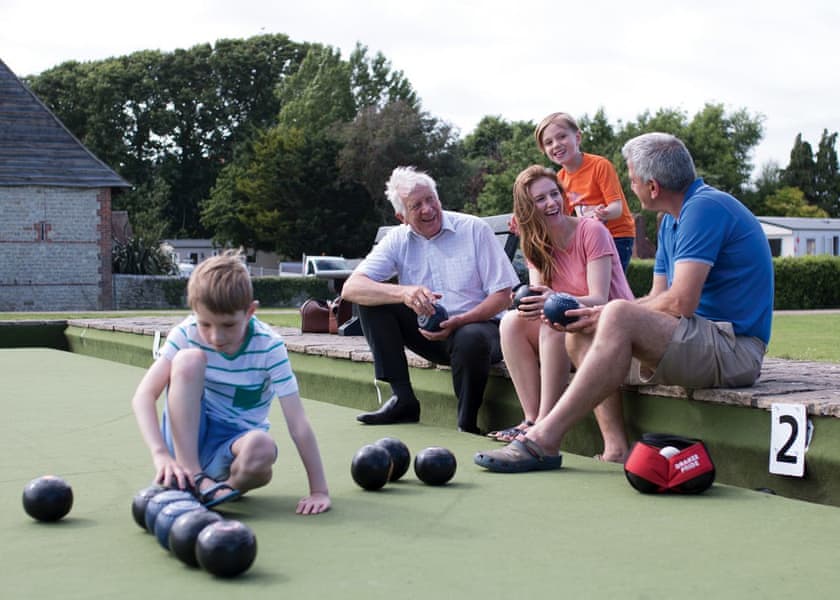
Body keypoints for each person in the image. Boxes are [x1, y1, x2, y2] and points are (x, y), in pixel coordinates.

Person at [475, 132, 774, 473]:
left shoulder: (705, 208)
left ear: (653, 186)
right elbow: (658, 297)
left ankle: (543, 439)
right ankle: (616, 447)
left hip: (734, 348)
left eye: (631, 178)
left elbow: (681, 302)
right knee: (580, 330)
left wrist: (606, 312)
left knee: (614, 312)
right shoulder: (671, 222)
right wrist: (596, 317)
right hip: (695, 337)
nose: (629, 186)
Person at [131, 252, 331, 514]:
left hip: (234, 448)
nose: (216, 336)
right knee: (189, 360)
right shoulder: (186, 333)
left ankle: (218, 489)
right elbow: (143, 396)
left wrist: (319, 490)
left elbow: (298, 423)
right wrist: (160, 455)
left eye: (228, 325)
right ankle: (191, 474)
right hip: (188, 439)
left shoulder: (269, 347)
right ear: (194, 312)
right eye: (206, 324)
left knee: (263, 448)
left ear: (250, 312)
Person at [341, 166, 520, 434]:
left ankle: (467, 422)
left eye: (431, 200)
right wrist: (403, 293)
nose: (428, 209)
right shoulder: (397, 239)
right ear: (401, 216)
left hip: (483, 330)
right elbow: (351, 288)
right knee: (370, 301)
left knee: (469, 336)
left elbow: (503, 296)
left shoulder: (473, 229)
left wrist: (461, 320)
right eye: (416, 206)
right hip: (429, 333)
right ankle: (403, 399)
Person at [486, 166, 634, 463]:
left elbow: (598, 297)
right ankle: (530, 419)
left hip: (608, 323)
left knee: (553, 321)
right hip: (571, 325)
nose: (551, 203)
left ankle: (544, 425)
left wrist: (555, 299)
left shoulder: (591, 231)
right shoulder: (535, 242)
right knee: (513, 322)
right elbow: (538, 295)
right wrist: (529, 301)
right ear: (527, 207)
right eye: (540, 199)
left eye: (555, 194)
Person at [535, 112, 637, 272]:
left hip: (616, 236)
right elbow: (564, 218)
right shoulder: (559, 179)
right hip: (589, 237)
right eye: (548, 142)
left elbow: (617, 209)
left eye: (562, 137)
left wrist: (601, 214)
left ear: (577, 137)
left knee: (608, 286)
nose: (555, 144)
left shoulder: (600, 165)